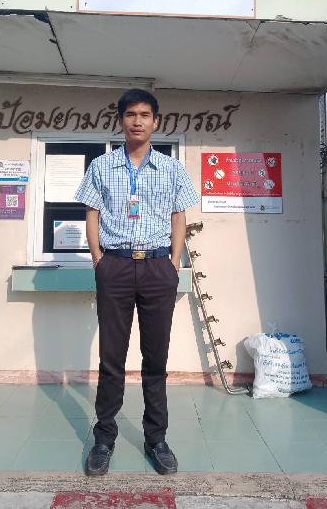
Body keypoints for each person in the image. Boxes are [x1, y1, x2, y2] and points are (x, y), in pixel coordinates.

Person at [75, 89, 199, 476]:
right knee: (111, 357)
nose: (138, 121)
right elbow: (92, 213)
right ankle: (104, 439)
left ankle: (156, 439)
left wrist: (174, 262)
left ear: (156, 121)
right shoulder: (101, 166)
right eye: (131, 114)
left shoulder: (172, 168)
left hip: (158, 268)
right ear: (121, 120)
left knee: (156, 358)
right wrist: (98, 259)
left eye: (145, 114)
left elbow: (178, 216)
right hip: (114, 266)